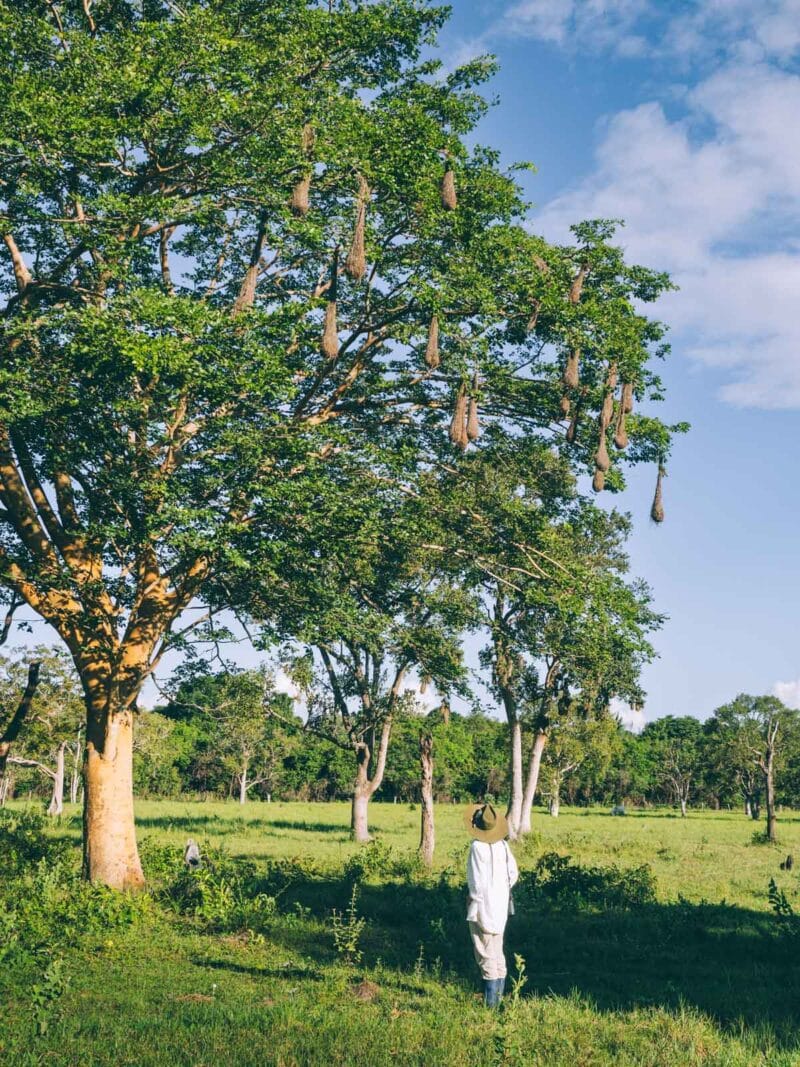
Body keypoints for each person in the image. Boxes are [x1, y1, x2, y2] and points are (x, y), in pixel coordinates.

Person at [463, 801, 519, 1008]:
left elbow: (477, 882)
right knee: (497, 951)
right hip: (501, 906)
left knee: (485, 954)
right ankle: (499, 999)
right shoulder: (503, 846)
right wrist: (501, 891)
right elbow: (513, 874)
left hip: (482, 906)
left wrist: (473, 899)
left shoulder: (477, 847)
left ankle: (491, 1006)